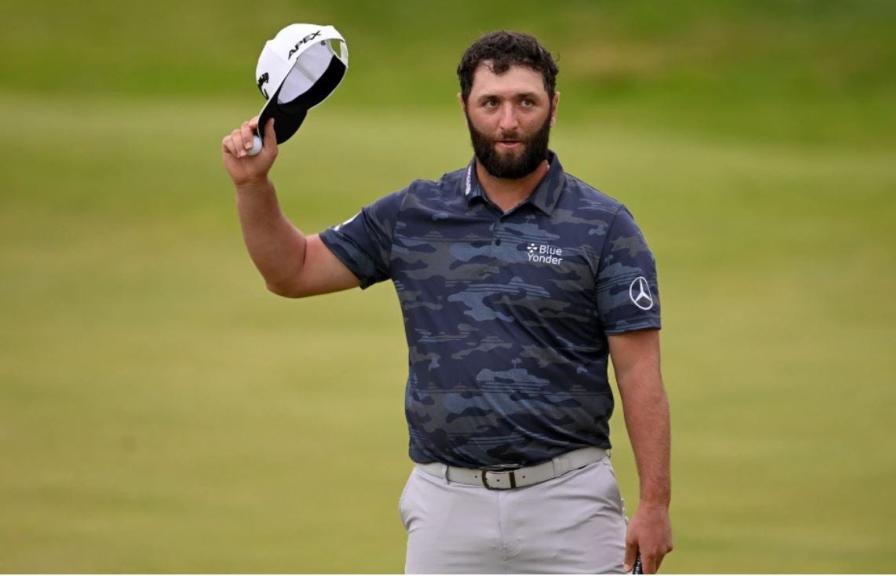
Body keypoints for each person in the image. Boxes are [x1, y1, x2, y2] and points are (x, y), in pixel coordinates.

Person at [222, 30, 673, 574]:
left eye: (525, 102)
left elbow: (639, 368)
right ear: (465, 106)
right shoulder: (415, 214)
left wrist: (654, 504)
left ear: (553, 106)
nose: (508, 122)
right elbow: (290, 270)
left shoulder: (606, 227)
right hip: (447, 505)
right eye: (491, 103)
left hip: (570, 501)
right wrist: (253, 186)